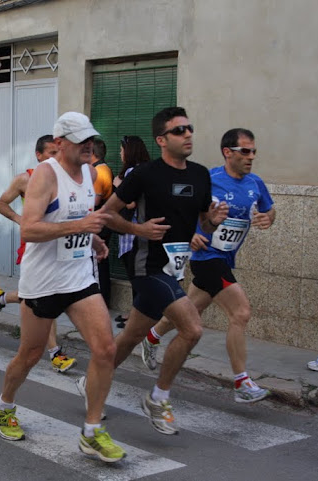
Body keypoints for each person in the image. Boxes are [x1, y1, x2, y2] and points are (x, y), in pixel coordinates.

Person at [77, 107, 229, 436]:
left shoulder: (200, 174)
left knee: (131, 336)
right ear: (161, 139)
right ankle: (157, 398)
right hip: (146, 265)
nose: (188, 134)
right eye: (179, 130)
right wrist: (139, 230)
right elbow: (107, 214)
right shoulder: (144, 174)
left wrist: (212, 222)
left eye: (189, 128)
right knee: (192, 329)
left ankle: (90, 382)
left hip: (174, 267)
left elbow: (202, 221)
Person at [0, 112, 126, 463]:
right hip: (43, 281)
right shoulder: (46, 175)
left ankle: (92, 430)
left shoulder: (92, 173)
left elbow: (78, 217)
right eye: (81, 140)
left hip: (79, 277)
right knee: (31, 354)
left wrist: (91, 238)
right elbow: (30, 229)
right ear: (60, 142)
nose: (89, 146)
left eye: (90, 139)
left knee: (106, 349)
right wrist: (80, 225)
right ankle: (3, 405)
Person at [139, 128, 275, 404]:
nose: (251, 157)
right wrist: (191, 233)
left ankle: (151, 337)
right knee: (241, 312)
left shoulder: (255, 183)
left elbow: (270, 208)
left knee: (190, 310)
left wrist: (268, 217)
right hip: (206, 258)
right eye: (245, 151)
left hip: (225, 258)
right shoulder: (209, 180)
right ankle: (242, 383)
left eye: (253, 151)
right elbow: (180, 208)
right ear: (228, 152)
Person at [0, 135, 77, 373]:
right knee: (45, 296)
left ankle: (1, 298)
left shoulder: (66, 179)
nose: (56, 158)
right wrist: (20, 219)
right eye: (50, 154)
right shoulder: (25, 179)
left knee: (38, 296)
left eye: (59, 153)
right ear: (39, 156)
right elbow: (1, 204)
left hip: (59, 246)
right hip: (35, 246)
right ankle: (55, 353)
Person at [112, 136, 151, 326]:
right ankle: (134, 313)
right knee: (139, 277)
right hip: (142, 231)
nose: (120, 154)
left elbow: (131, 202)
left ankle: (137, 318)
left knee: (136, 277)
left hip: (131, 231)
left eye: (121, 150)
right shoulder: (148, 170)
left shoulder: (131, 172)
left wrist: (118, 185)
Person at [91, 138, 114, 306]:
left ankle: (101, 300)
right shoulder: (104, 168)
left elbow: (95, 201)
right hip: (104, 222)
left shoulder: (99, 171)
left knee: (98, 263)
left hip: (99, 224)